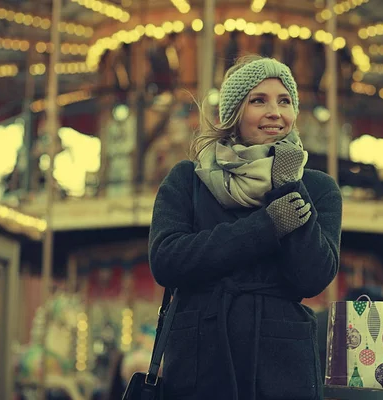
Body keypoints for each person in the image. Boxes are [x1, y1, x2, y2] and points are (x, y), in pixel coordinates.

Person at [148, 55, 343, 400]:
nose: (275, 111)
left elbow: (313, 277)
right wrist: (265, 227)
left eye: (285, 101)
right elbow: (167, 259)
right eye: (259, 100)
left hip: (281, 366)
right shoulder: (188, 180)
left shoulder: (318, 188)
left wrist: (288, 185)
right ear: (234, 114)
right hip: (202, 361)